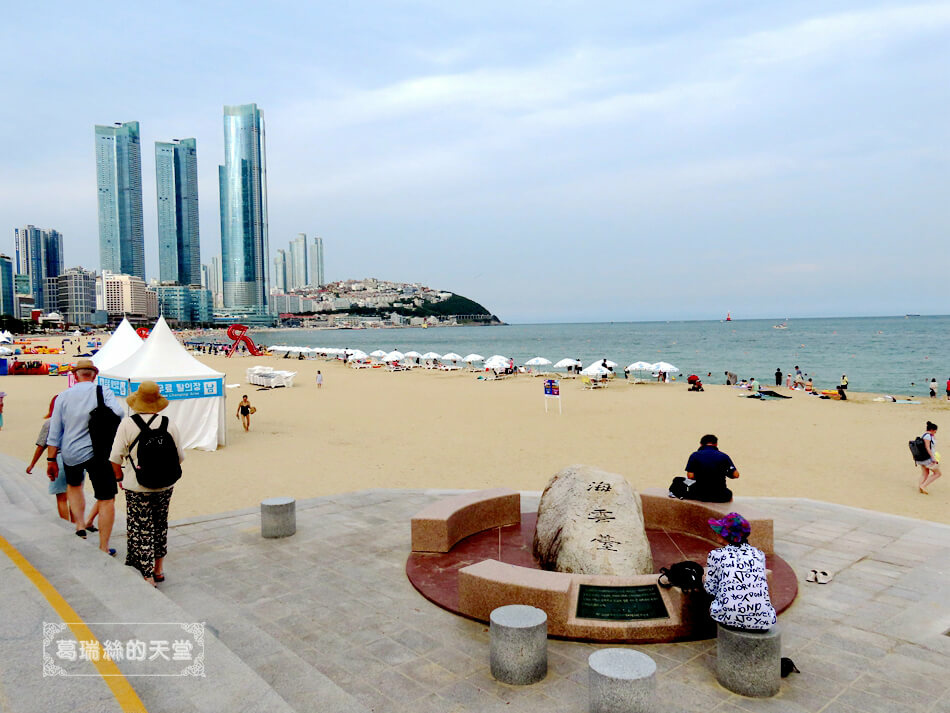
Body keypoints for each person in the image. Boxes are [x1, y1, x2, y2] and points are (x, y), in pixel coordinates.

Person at [110, 381, 185, 586]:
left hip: (136, 485)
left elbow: (115, 457)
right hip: (165, 484)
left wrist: (119, 478)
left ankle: (147, 573)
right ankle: (159, 569)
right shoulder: (168, 423)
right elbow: (179, 457)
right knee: (160, 525)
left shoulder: (127, 424)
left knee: (141, 526)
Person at [46, 359, 124, 554]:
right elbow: (119, 412)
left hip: (70, 451)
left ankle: (80, 524)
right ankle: (103, 546)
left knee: (74, 485)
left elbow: (55, 431)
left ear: (75, 376)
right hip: (98, 451)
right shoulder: (102, 391)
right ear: (94, 375)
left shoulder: (63, 396)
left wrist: (51, 459)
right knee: (106, 498)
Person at [704, 513, 777, 631]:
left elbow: (710, 589)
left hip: (728, 619)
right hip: (764, 622)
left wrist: (706, 578)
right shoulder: (758, 554)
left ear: (724, 535)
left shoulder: (716, 555)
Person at [26, 395, 70, 521]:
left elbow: (41, 445)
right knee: (74, 495)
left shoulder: (49, 423)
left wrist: (32, 464)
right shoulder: (73, 422)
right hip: (76, 460)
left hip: (59, 460)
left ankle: (68, 526)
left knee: (61, 498)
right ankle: (79, 527)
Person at [670, 434, 740, 503]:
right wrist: (724, 472)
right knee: (729, 493)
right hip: (720, 494)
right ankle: (729, 512)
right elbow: (736, 475)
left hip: (700, 494)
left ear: (701, 444)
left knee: (677, 480)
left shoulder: (695, 455)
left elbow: (690, 476)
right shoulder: (724, 456)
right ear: (716, 444)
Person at [916, 421, 941, 494]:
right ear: (932, 430)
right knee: (938, 473)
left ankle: (921, 487)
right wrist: (933, 458)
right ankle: (923, 486)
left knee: (925, 473)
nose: (935, 433)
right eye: (935, 431)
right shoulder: (928, 436)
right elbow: (927, 448)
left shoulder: (925, 435)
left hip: (923, 457)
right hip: (927, 458)